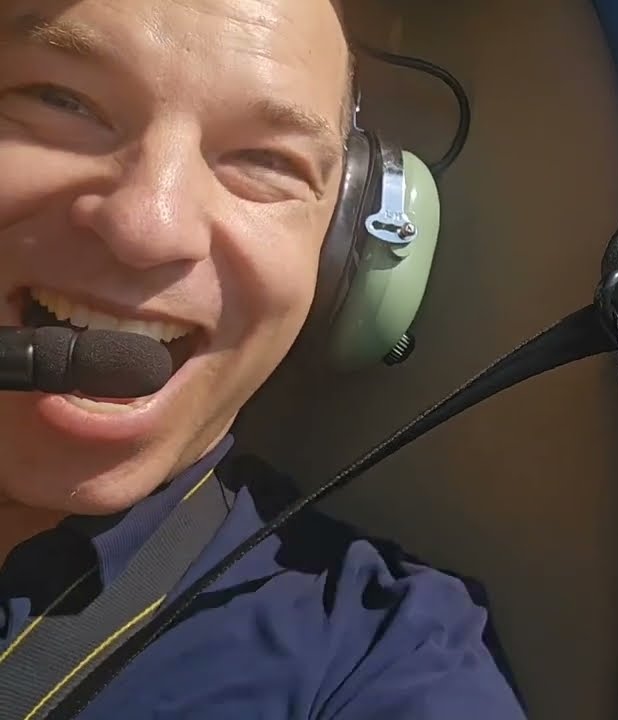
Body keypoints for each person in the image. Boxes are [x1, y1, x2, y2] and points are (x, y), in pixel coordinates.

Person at [0, 0, 527, 717]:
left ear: (343, 258)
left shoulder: (382, 656)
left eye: (265, 161)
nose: (148, 228)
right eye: (61, 101)